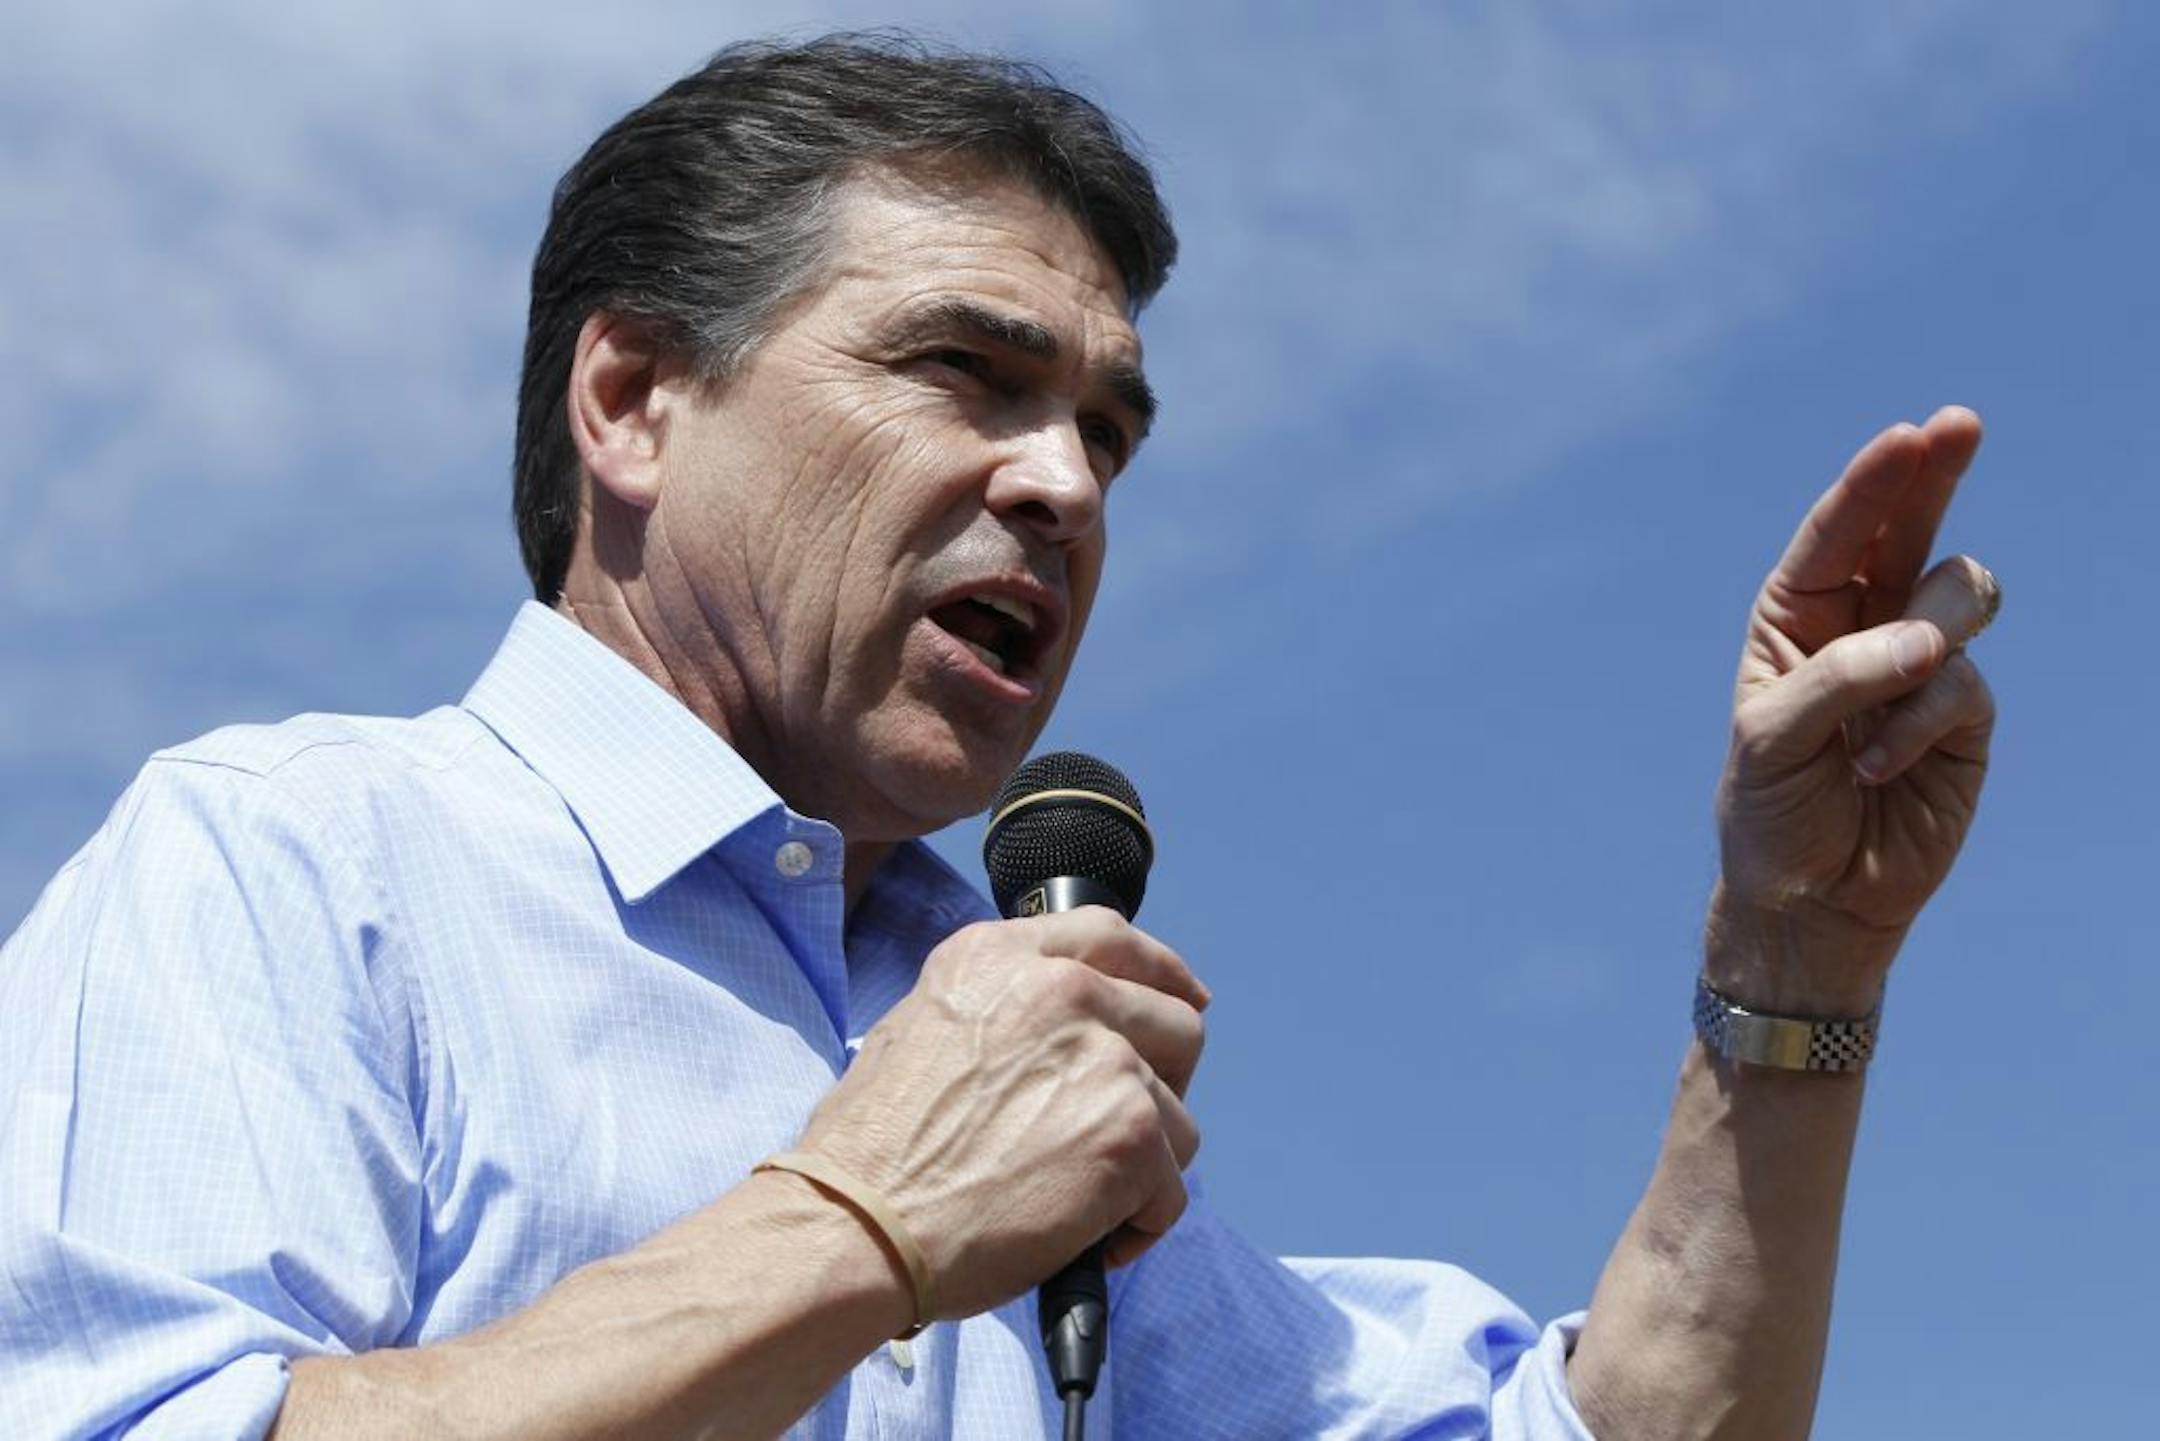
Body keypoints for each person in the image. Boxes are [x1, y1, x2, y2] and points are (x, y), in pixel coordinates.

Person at [0, 35, 2000, 1441]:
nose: (1065, 485)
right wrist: (857, 1224)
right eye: (966, 370)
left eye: (1108, 434)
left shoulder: (1008, 1030)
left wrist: (1795, 962)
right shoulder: (299, 862)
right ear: (632, 400)